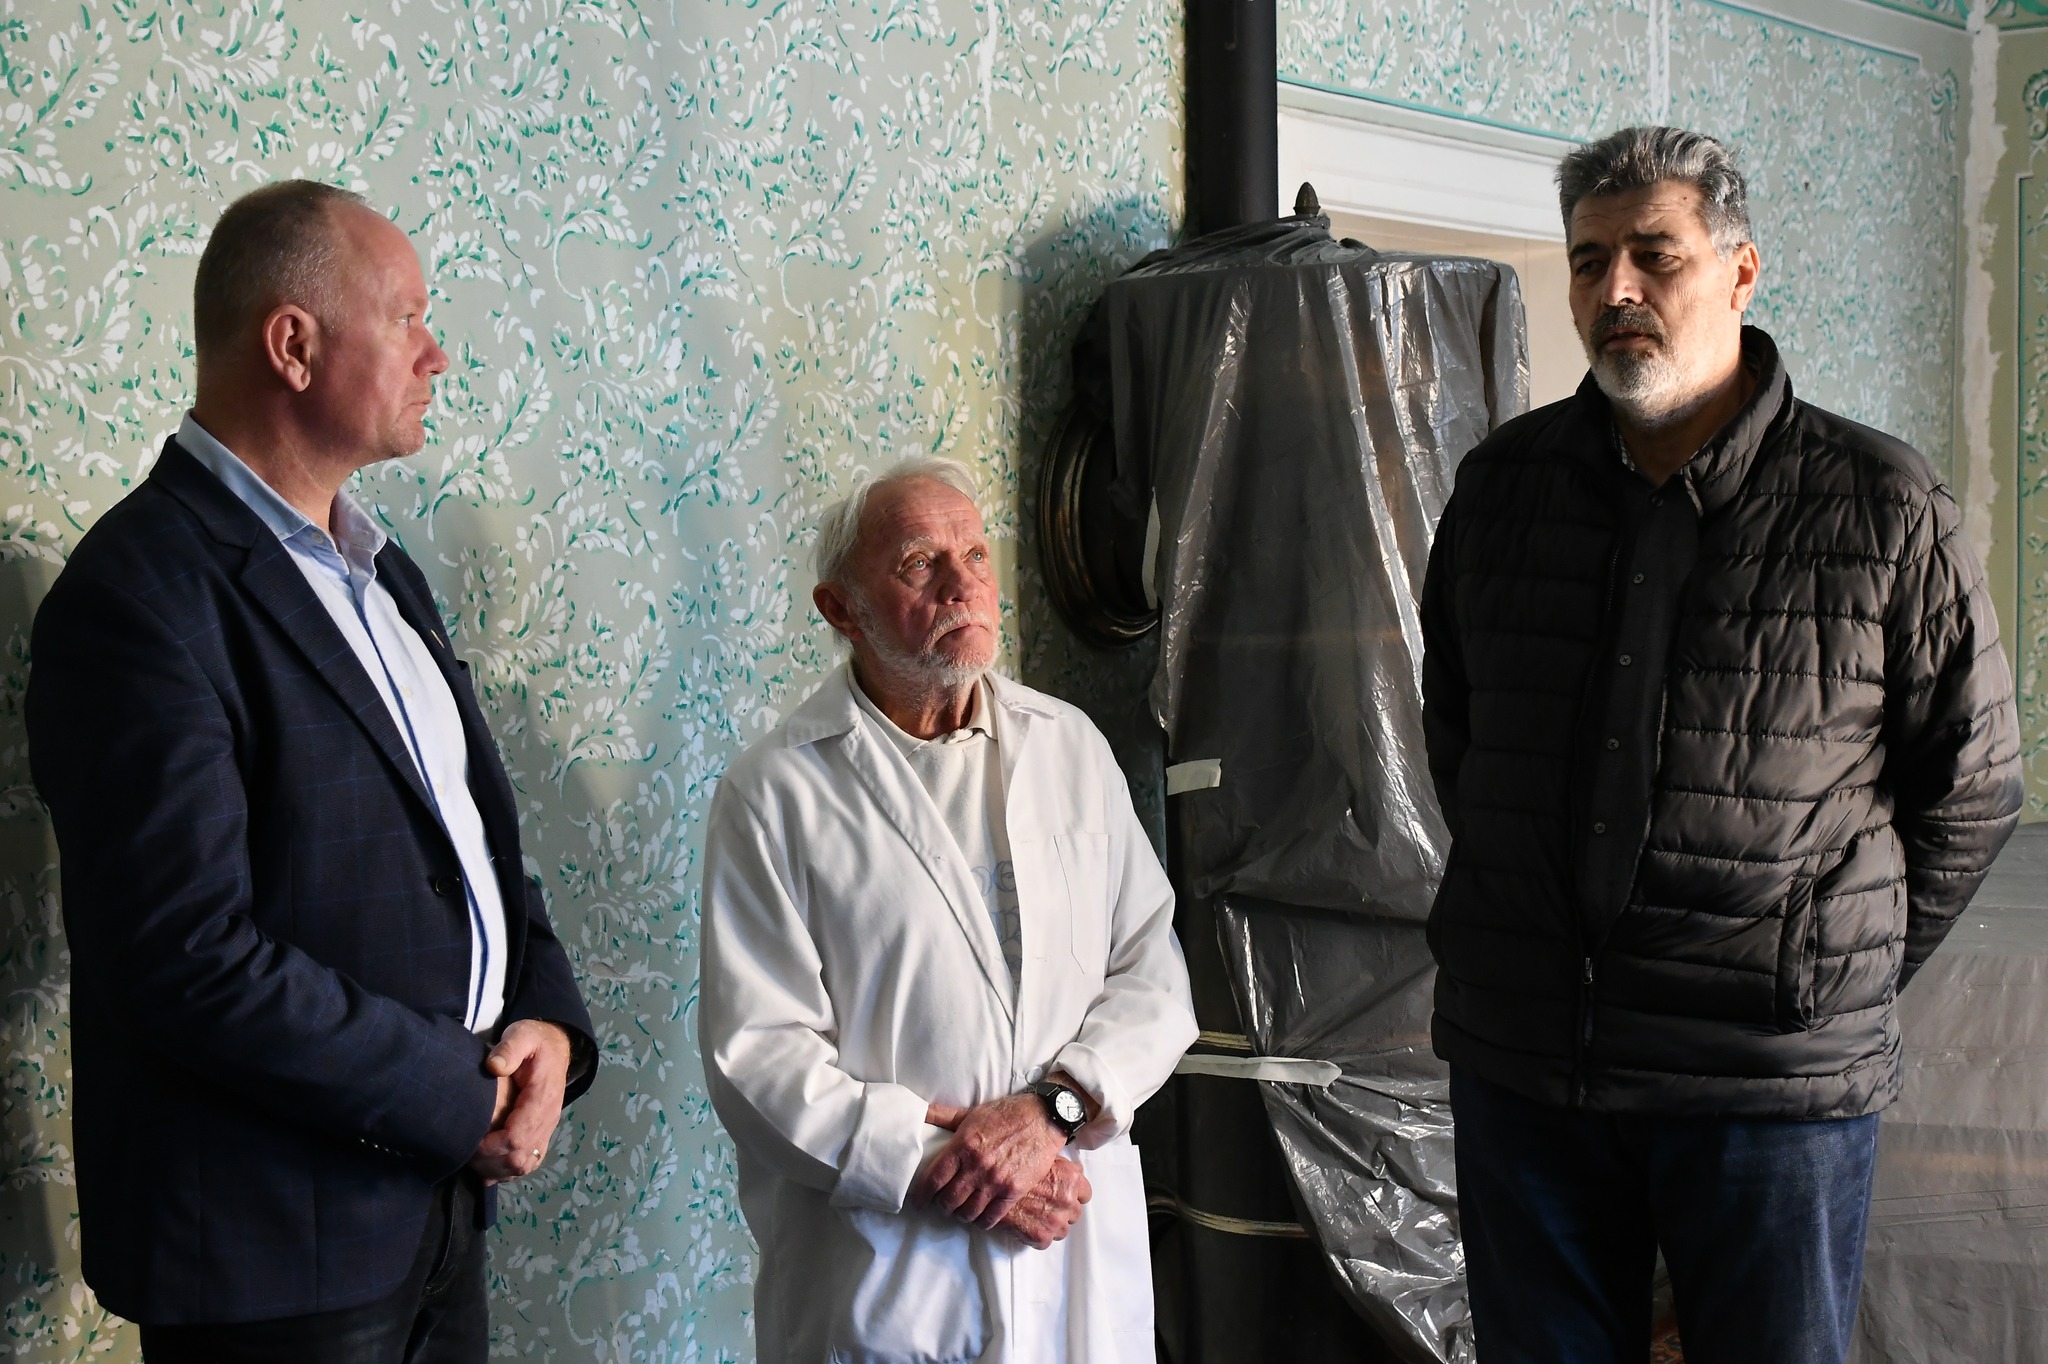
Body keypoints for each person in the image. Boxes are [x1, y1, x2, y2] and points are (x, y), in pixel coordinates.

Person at [1420, 126, 2022, 1364]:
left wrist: (1825, 967)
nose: (1615, 289)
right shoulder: (1500, 489)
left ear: (1739, 271)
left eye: (1655, 255)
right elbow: (1462, 741)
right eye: (1587, 261)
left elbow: (1971, 788)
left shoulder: (1881, 505)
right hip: (1528, 1067)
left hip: (1764, 1084)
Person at [26, 180, 595, 1363]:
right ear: (292, 345)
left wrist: (545, 1016)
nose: (437, 353)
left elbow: (468, 843)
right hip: (270, 1253)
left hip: (435, 1220)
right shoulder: (137, 594)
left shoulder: (385, 573)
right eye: (407, 318)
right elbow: (186, 955)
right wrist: (459, 1093)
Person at [699, 456, 1197, 1363]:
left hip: (1072, 1260)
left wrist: (1053, 1113)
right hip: (891, 1277)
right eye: (920, 564)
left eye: (974, 554)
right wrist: (953, 1166)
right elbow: (758, 1056)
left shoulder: (1071, 749)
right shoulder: (775, 793)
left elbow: (1152, 973)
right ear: (841, 610)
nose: (963, 586)